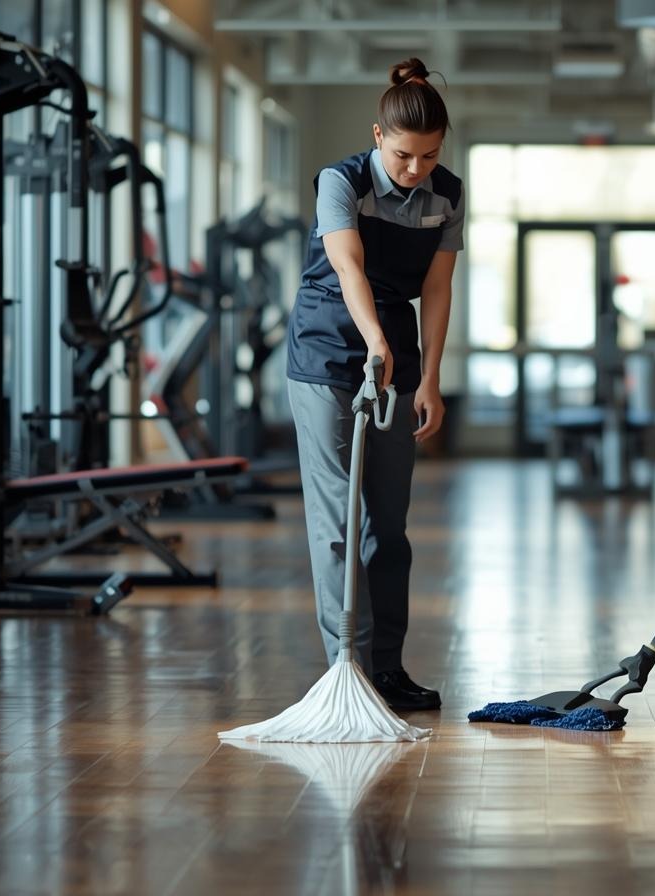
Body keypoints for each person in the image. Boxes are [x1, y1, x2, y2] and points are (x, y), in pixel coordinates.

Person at [285, 57, 462, 711]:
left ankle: (385, 666)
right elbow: (347, 264)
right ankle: (346, 668)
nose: (416, 170)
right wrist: (376, 341)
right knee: (336, 520)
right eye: (404, 155)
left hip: (397, 360)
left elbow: (439, 288)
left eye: (429, 156)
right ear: (378, 134)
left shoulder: (447, 192)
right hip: (328, 353)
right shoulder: (342, 180)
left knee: (388, 525)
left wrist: (430, 377)